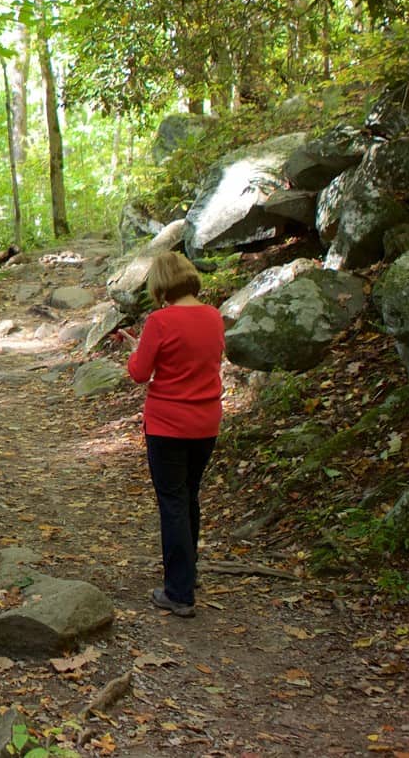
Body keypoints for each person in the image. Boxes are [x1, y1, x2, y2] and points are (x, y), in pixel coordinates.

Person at [124, 251, 224, 618]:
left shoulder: (160, 321)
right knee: (189, 496)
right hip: (206, 422)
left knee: (173, 501)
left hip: (168, 424)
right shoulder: (214, 316)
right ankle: (188, 572)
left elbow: (139, 372)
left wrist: (135, 350)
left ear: (161, 284)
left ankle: (179, 592)